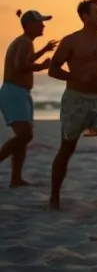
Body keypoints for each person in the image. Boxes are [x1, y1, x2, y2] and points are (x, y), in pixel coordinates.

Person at [47, 0, 97, 210]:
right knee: (67, 148)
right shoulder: (71, 41)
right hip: (76, 100)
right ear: (85, 17)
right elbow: (53, 69)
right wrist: (78, 77)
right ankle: (54, 198)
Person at [0, 10, 57, 187]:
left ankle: (16, 178)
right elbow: (20, 66)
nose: (43, 25)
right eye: (40, 22)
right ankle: (15, 177)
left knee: (22, 137)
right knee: (25, 135)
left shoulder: (25, 42)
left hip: (20, 92)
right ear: (29, 25)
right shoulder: (24, 42)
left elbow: (25, 59)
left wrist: (44, 50)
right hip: (14, 92)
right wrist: (41, 66)